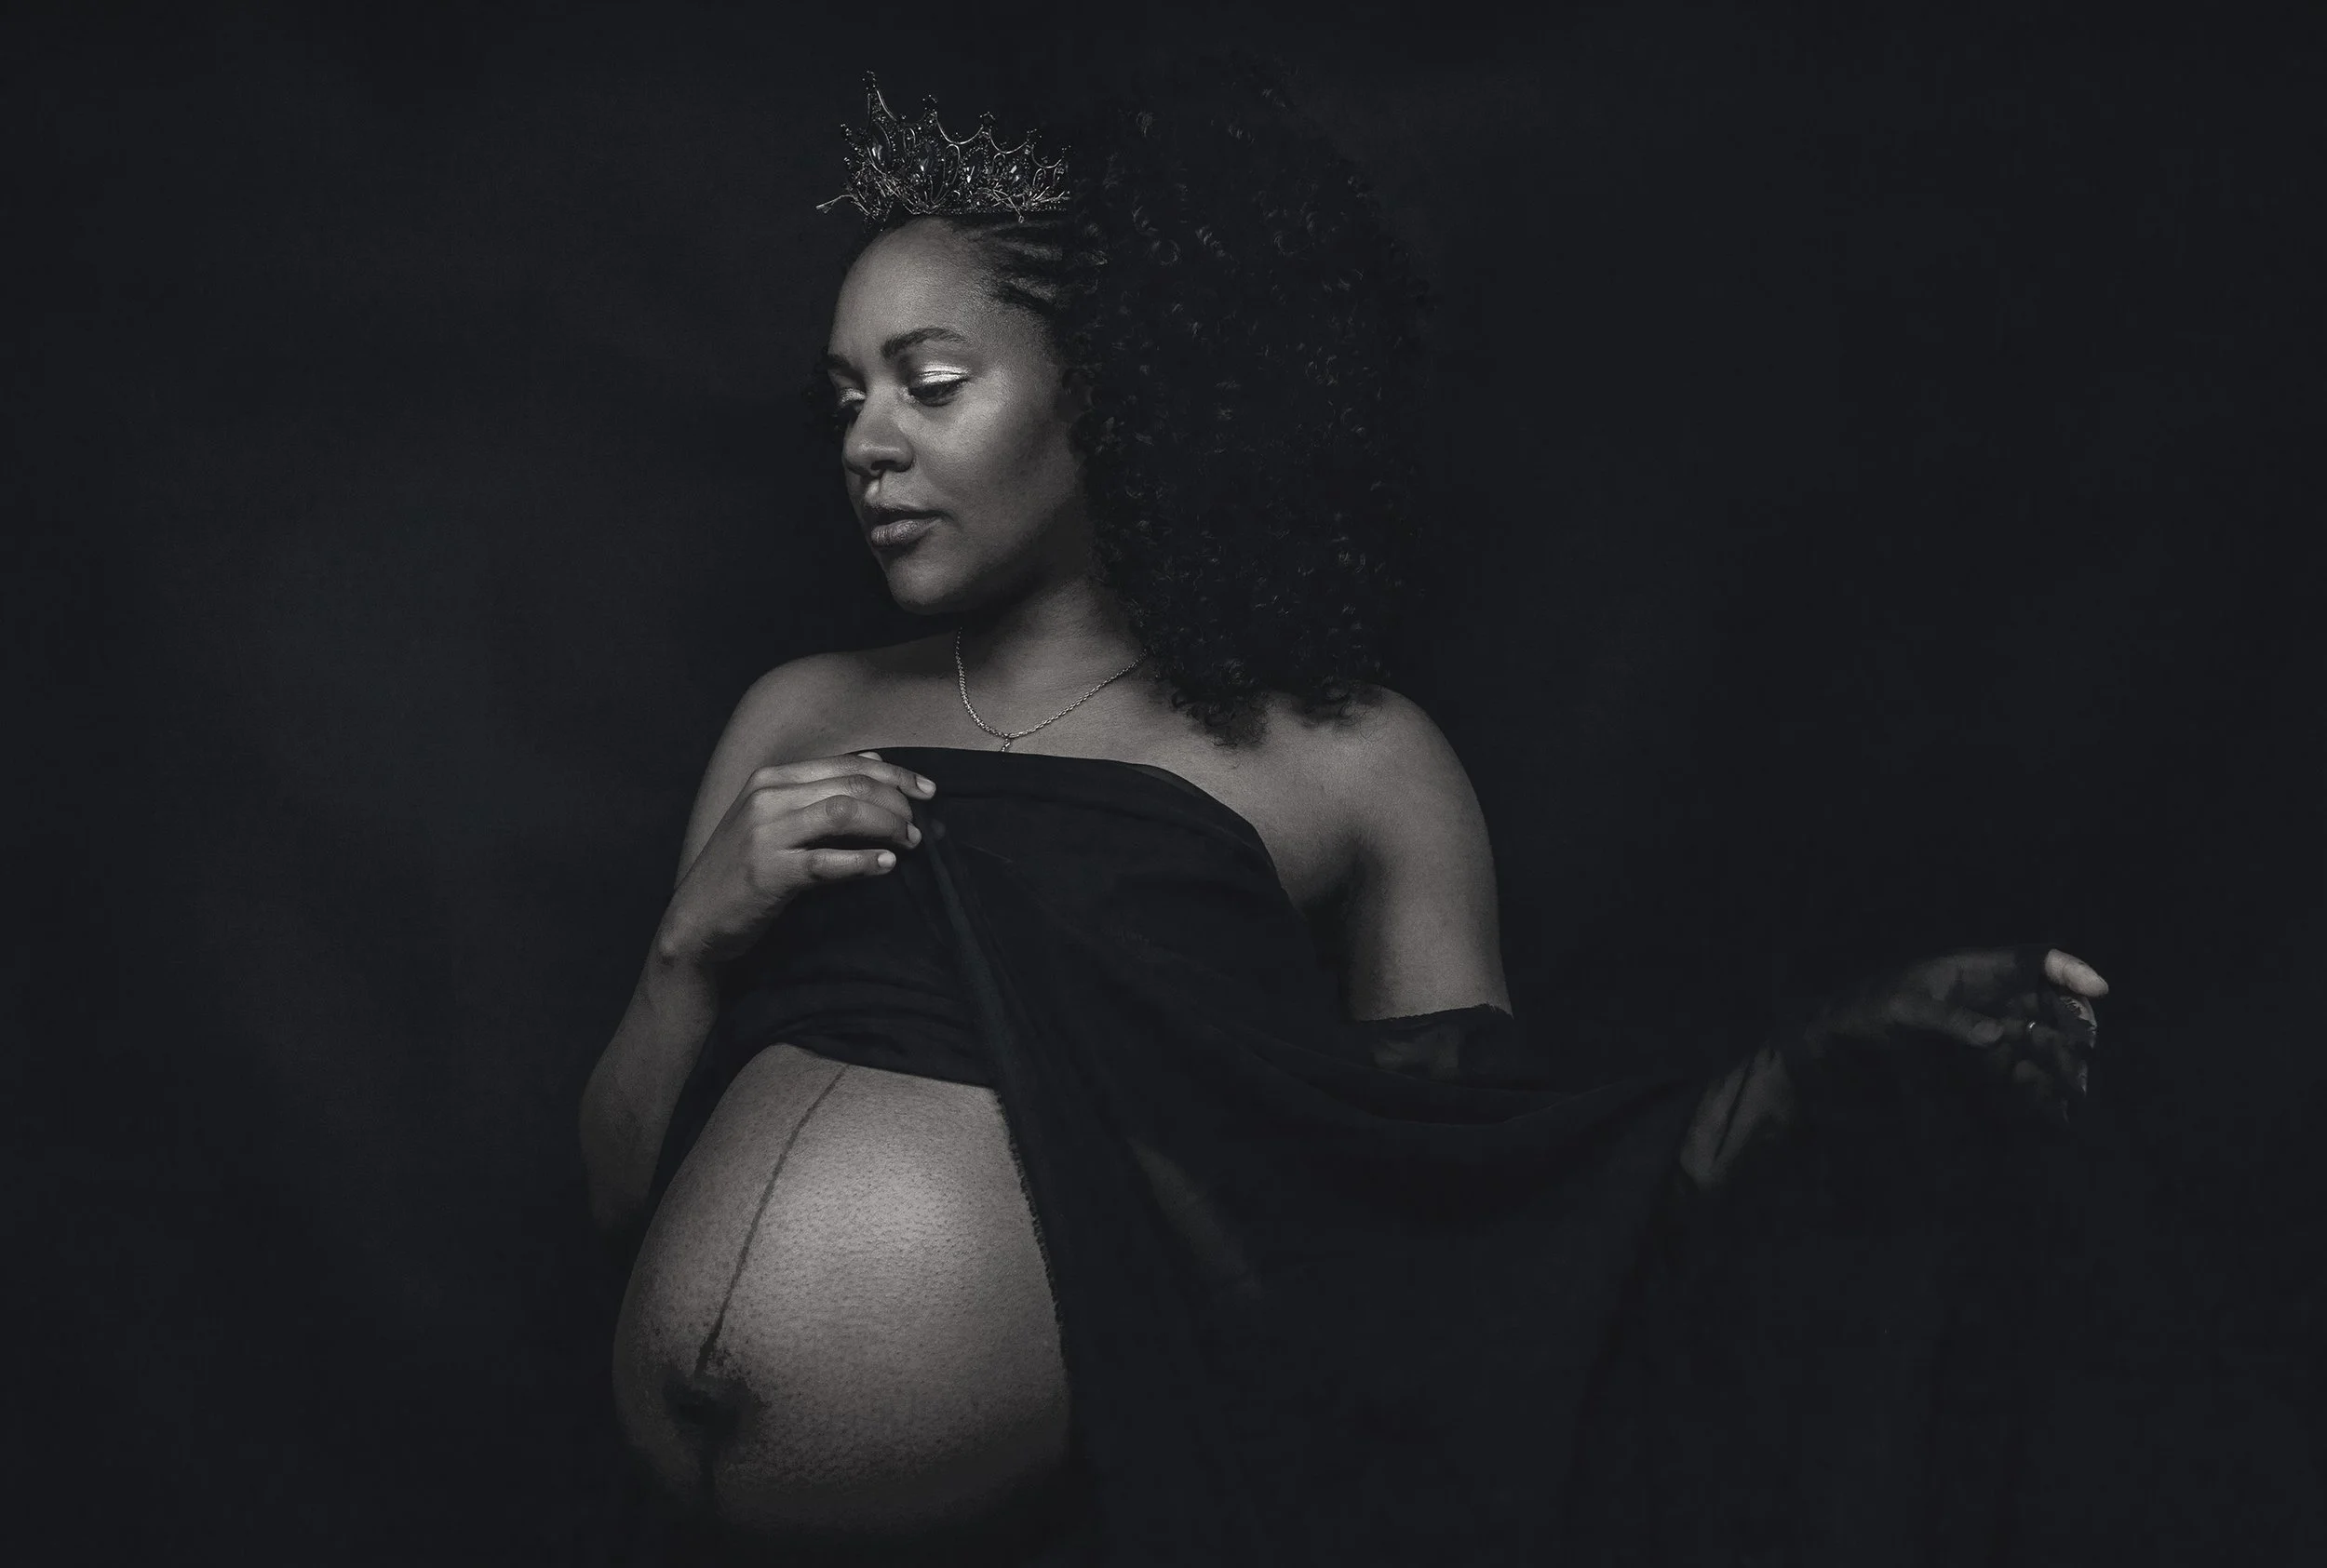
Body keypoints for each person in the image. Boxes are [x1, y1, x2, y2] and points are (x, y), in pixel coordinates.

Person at [577, 71, 2110, 1566]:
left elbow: (1467, 1211)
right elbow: (612, 1197)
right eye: (846, 397)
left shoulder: (1350, 765)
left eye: (929, 383)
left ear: (1104, 390)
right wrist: (686, 948)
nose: (867, 443)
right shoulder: (796, 714)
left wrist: (1798, 1092)